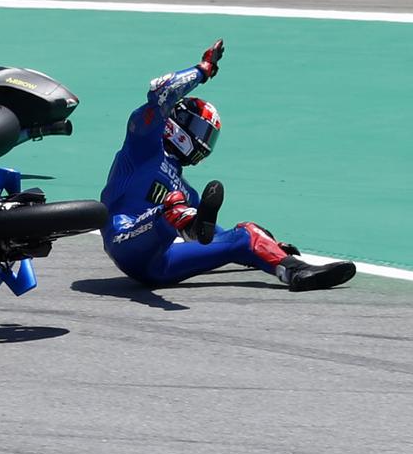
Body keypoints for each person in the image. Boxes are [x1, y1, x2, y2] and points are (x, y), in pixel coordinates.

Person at [100, 40, 355, 291]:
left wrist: (267, 248)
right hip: (124, 237)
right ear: (177, 121)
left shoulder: (189, 193)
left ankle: (297, 271)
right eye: (200, 129)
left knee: (245, 234)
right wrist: (203, 70)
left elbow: (213, 236)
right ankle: (182, 223)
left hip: (160, 266)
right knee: (175, 205)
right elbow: (160, 95)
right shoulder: (143, 145)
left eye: (209, 136)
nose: (203, 141)